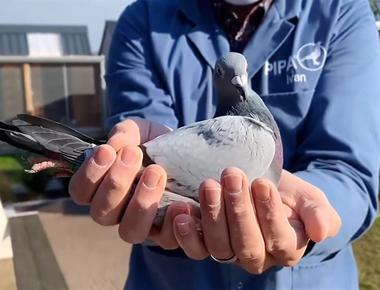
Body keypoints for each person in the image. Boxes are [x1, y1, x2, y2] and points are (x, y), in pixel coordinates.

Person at [69, 0, 380, 289]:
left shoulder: (340, 11)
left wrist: (301, 219)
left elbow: (347, 168)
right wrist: (125, 179)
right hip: (173, 277)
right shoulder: (143, 21)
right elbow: (145, 146)